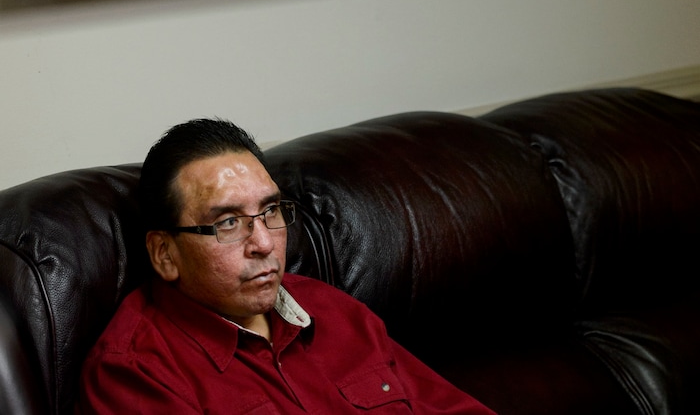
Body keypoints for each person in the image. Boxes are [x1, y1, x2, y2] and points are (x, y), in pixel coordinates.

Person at [76, 118, 497, 414]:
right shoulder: (135, 374)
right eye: (227, 223)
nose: (263, 244)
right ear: (165, 254)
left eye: (271, 211)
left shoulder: (334, 311)